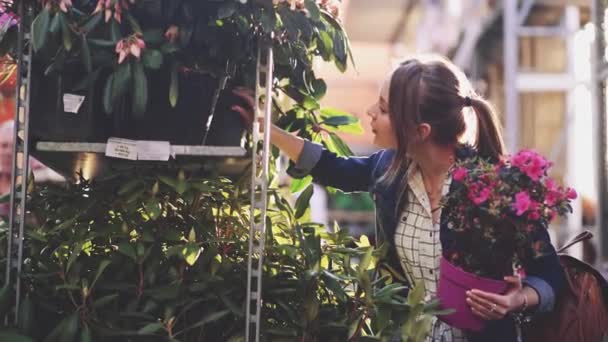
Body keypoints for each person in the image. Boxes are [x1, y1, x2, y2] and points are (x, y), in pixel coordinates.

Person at [233, 55, 564, 342]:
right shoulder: (389, 172)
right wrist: (267, 128)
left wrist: (519, 298)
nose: (369, 113)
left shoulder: (493, 187)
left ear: (420, 131)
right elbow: (333, 168)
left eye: (383, 109)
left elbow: (550, 275)